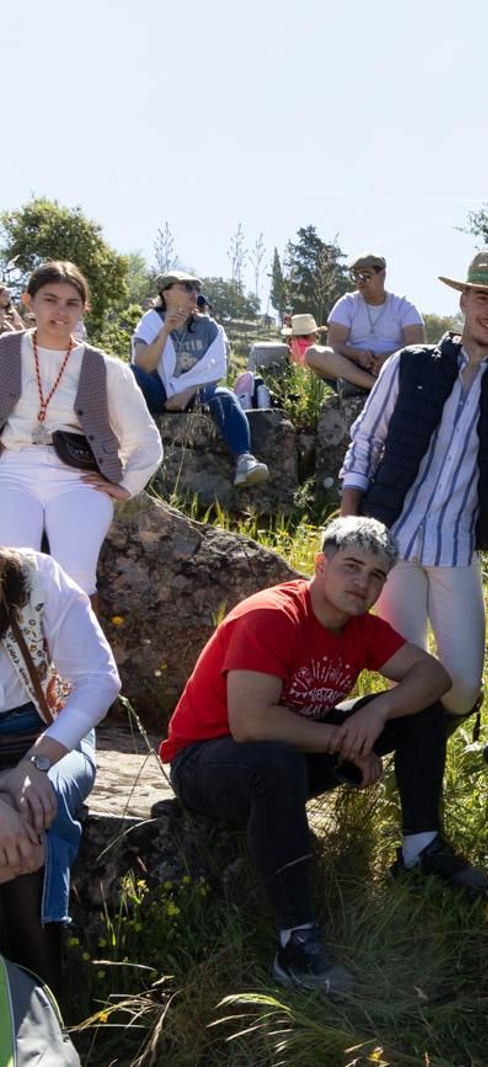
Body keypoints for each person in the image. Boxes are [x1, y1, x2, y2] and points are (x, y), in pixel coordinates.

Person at [158, 517, 488, 996]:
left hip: (287, 753)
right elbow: (251, 725)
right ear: (320, 564)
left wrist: (376, 713)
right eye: (351, 567)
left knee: (419, 711)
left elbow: (433, 677)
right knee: (275, 762)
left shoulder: (360, 628)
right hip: (208, 762)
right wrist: (344, 741)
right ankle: (296, 944)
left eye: (376, 575)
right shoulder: (273, 616)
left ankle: (420, 847)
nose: (363, 582)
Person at [340, 252, 488, 726]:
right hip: (390, 545)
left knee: (461, 689)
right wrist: (349, 518)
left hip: (457, 549)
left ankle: (420, 739)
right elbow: (366, 440)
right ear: (463, 300)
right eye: (482, 297)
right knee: (407, 677)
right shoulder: (409, 364)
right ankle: (412, 776)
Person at [0, 262, 162, 600]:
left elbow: (144, 437)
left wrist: (126, 485)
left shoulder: (105, 367)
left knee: (76, 579)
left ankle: (80, 654)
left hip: (78, 475)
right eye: (50, 299)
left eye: (72, 302)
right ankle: (16, 654)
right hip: (11, 469)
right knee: (12, 574)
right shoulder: (4, 350)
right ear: (29, 301)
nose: (61, 310)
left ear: (84, 308)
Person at [0, 548, 118, 993]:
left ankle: (44, 1008)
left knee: (31, 807)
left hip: (50, 734)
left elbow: (98, 679)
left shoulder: (36, 576)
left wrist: (35, 763)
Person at [131, 271, 270, 487]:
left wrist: (187, 393)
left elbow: (215, 373)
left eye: (196, 288)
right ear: (166, 293)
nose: (194, 292)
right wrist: (165, 330)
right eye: (187, 287)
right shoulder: (150, 321)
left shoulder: (209, 327)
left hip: (196, 394)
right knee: (127, 374)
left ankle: (244, 460)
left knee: (224, 395)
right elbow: (143, 366)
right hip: (159, 393)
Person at [309, 254, 425, 392]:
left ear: (382, 275)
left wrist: (390, 358)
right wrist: (358, 355)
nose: (359, 281)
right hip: (354, 366)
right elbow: (335, 344)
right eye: (355, 276)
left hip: (394, 366)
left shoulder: (404, 305)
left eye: (365, 275)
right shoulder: (347, 303)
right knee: (312, 353)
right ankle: (377, 386)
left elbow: (416, 346)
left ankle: (359, 385)